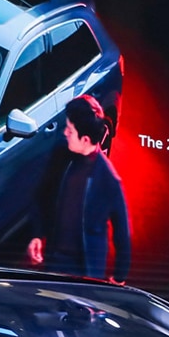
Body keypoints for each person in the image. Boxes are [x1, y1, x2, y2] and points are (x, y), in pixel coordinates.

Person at [29, 95, 131, 283]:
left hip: (86, 272)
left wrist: (119, 276)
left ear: (85, 139)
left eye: (70, 130)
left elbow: (122, 233)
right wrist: (36, 234)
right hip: (54, 263)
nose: (65, 133)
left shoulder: (108, 180)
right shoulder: (61, 154)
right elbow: (42, 195)